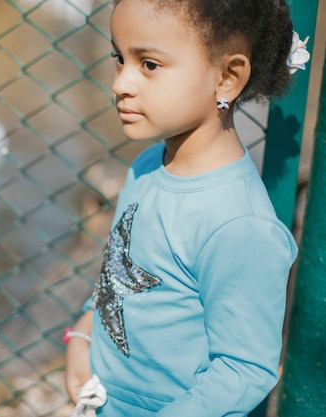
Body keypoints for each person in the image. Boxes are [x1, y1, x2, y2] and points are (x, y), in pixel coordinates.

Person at [64, 0, 310, 415]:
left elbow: (243, 367)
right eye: (118, 58)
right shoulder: (146, 167)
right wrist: (84, 334)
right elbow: (116, 273)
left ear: (228, 79)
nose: (120, 82)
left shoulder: (240, 225)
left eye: (150, 65)